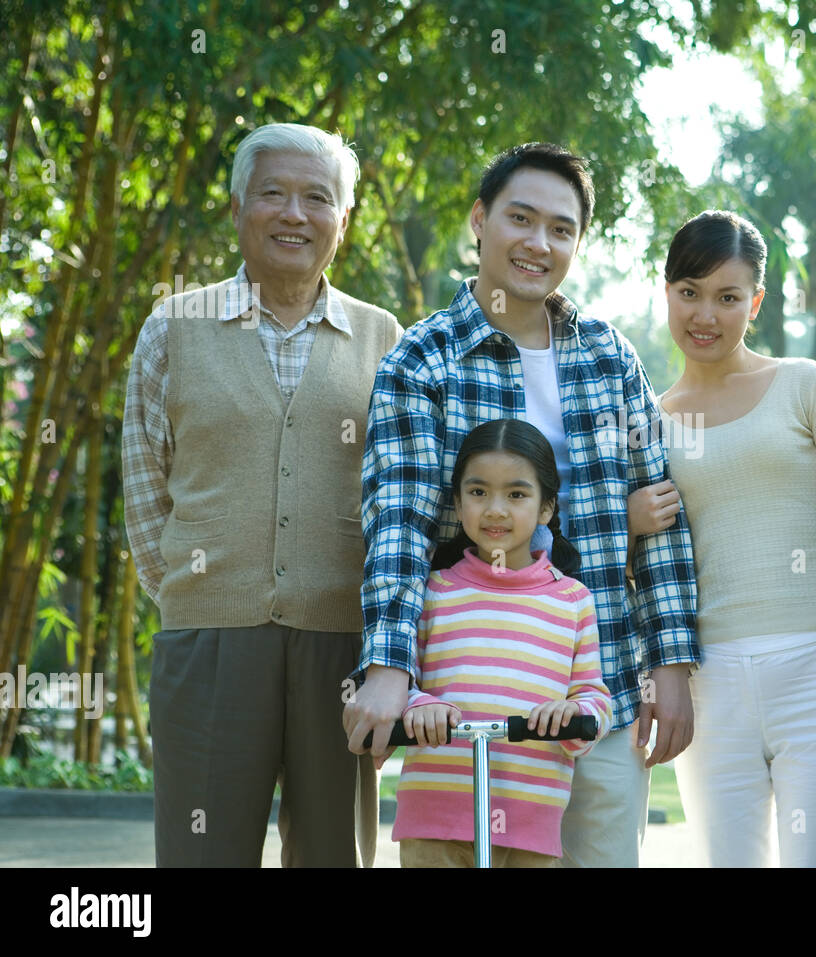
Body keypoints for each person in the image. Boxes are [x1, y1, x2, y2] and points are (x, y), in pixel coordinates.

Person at [342, 143, 698, 868]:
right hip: (470, 701)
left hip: (596, 694)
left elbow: (661, 513)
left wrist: (672, 665)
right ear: (480, 219)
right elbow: (398, 524)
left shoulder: (608, 355)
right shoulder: (423, 359)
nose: (540, 243)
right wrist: (388, 666)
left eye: (561, 229)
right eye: (521, 218)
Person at [122, 122, 403, 866]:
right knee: (199, 854)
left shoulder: (384, 339)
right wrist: (198, 595)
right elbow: (146, 491)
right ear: (238, 205)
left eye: (317, 198)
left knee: (334, 855)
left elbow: (402, 500)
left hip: (342, 645)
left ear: (343, 220)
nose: (293, 213)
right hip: (208, 643)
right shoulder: (173, 326)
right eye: (272, 193)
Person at [627, 210, 816, 867]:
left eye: (728, 297)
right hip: (708, 684)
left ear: (755, 302)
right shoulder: (649, 422)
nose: (706, 314)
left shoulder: (807, 385)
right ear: (667, 291)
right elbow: (629, 563)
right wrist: (628, 521)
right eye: (690, 292)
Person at [394, 419, 613, 867]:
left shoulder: (572, 601)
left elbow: (596, 700)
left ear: (547, 508)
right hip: (435, 818)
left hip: (529, 822)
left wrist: (574, 713)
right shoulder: (432, 591)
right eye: (478, 493)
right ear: (457, 502)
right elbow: (397, 680)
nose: (495, 509)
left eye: (516, 494)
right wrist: (419, 705)